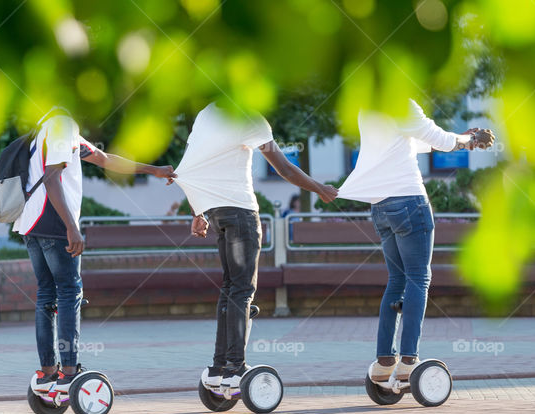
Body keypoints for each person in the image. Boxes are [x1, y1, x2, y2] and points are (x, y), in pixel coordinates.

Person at [171, 102, 338, 392]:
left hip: (217, 213)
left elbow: (191, 167)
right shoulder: (250, 116)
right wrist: (321, 189)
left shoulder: (207, 113)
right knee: (242, 290)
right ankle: (236, 368)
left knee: (230, 288)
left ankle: (218, 368)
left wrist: (198, 212)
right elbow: (284, 168)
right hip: (241, 213)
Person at [14, 107, 176, 394]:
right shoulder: (62, 125)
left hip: (30, 225)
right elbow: (52, 178)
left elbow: (104, 159)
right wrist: (71, 227)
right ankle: (70, 371)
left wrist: (154, 170)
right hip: (52, 223)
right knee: (68, 292)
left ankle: (47, 372)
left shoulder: (47, 126)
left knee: (46, 295)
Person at [337, 99, 494, 384]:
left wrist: (462, 140)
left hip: (381, 206)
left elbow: (417, 142)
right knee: (418, 278)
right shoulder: (404, 104)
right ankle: (409, 360)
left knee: (396, 280)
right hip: (409, 201)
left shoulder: (367, 106)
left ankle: (385, 361)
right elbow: (440, 140)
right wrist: (468, 139)